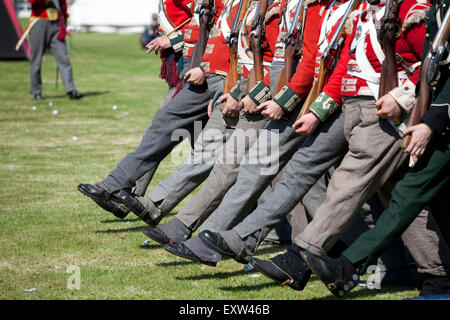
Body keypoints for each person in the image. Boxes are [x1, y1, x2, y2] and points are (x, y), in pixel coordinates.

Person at [249, 0, 450, 295]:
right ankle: (431, 271)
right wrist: (319, 109)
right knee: (399, 197)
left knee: (346, 183)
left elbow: (432, 67)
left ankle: (299, 258)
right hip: (357, 109)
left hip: (386, 112)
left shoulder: (410, 11)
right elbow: (345, 64)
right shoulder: (365, 11)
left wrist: (403, 97)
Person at [28, 0, 82, 100]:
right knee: (36, 60)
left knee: (63, 58)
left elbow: (62, 5)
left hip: (57, 23)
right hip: (39, 20)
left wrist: (67, 23)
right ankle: (36, 91)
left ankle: (70, 89)